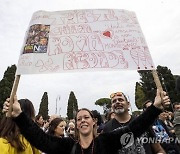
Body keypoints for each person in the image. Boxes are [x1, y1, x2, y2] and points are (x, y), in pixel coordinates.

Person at [3, 90, 170, 154]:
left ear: (94, 122)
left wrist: (155, 108)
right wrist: (18, 115)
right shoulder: (67, 146)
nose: (82, 120)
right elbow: (40, 139)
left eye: (86, 117)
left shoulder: (107, 141)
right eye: (79, 118)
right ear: (75, 124)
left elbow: (134, 128)